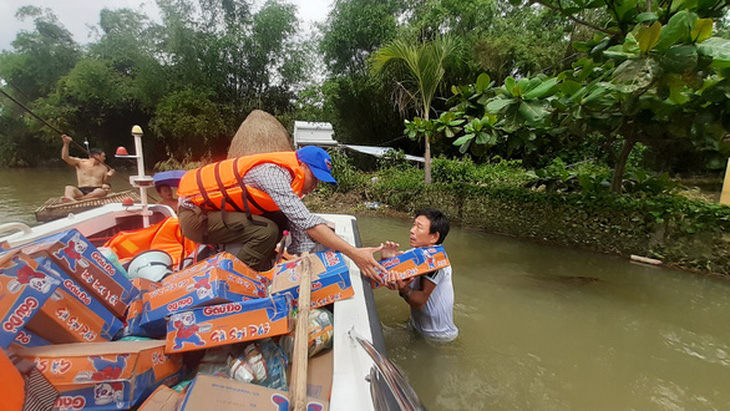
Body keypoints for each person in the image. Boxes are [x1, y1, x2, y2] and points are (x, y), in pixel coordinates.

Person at [177, 145, 388, 280]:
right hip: (195, 217)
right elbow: (306, 222)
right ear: (302, 166)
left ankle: (260, 265)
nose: (315, 186)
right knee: (266, 231)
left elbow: (297, 221)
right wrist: (353, 253)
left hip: (214, 213)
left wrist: (304, 253)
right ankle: (237, 280)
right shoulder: (273, 174)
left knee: (280, 219)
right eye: (314, 178)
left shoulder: (289, 178)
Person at [382, 208, 458, 342]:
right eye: (413, 225)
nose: (412, 230)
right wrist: (386, 260)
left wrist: (403, 289)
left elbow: (420, 301)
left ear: (434, 237)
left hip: (438, 335)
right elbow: (383, 275)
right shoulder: (415, 253)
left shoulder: (437, 262)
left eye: (419, 227)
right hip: (416, 326)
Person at [61, 134, 114, 201]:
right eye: (103, 156)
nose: (104, 158)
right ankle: (70, 198)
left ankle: (80, 200)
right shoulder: (81, 162)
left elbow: (105, 183)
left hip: (96, 190)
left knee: (100, 191)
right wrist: (66, 143)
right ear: (96, 156)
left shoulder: (104, 168)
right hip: (81, 190)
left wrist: (108, 176)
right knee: (68, 188)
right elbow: (65, 157)